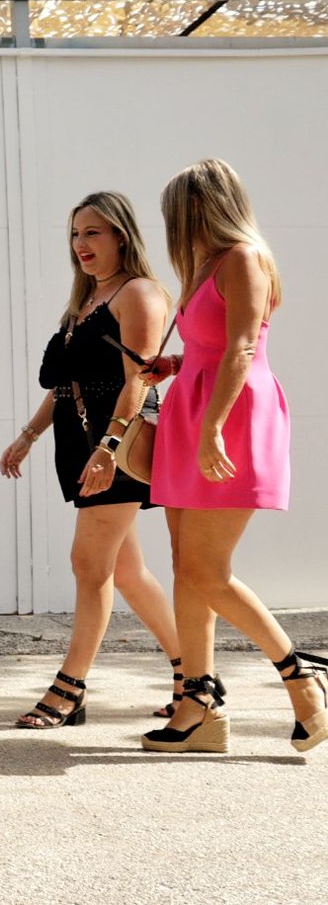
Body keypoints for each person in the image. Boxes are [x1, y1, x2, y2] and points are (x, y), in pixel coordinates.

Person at [140, 159, 327, 755]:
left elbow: (244, 345)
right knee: (183, 563)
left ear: (199, 209)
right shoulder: (206, 267)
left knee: (205, 571)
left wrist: (213, 427)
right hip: (190, 411)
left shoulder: (244, 257)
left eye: (177, 213)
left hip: (229, 418)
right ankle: (199, 706)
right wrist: (173, 365)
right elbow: (212, 343)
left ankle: (302, 678)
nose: (173, 225)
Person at [0, 192, 182, 728]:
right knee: (126, 570)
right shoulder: (85, 302)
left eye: (93, 233)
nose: (81, 245)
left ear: (121, 235)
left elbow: (139, 380)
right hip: (82, 444)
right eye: (76, 235)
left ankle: (70, 686)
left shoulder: (139, 294)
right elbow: (65, 384)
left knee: (89, 564)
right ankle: (194, 676)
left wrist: (108, 449)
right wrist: (29, 435)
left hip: (116, 444)